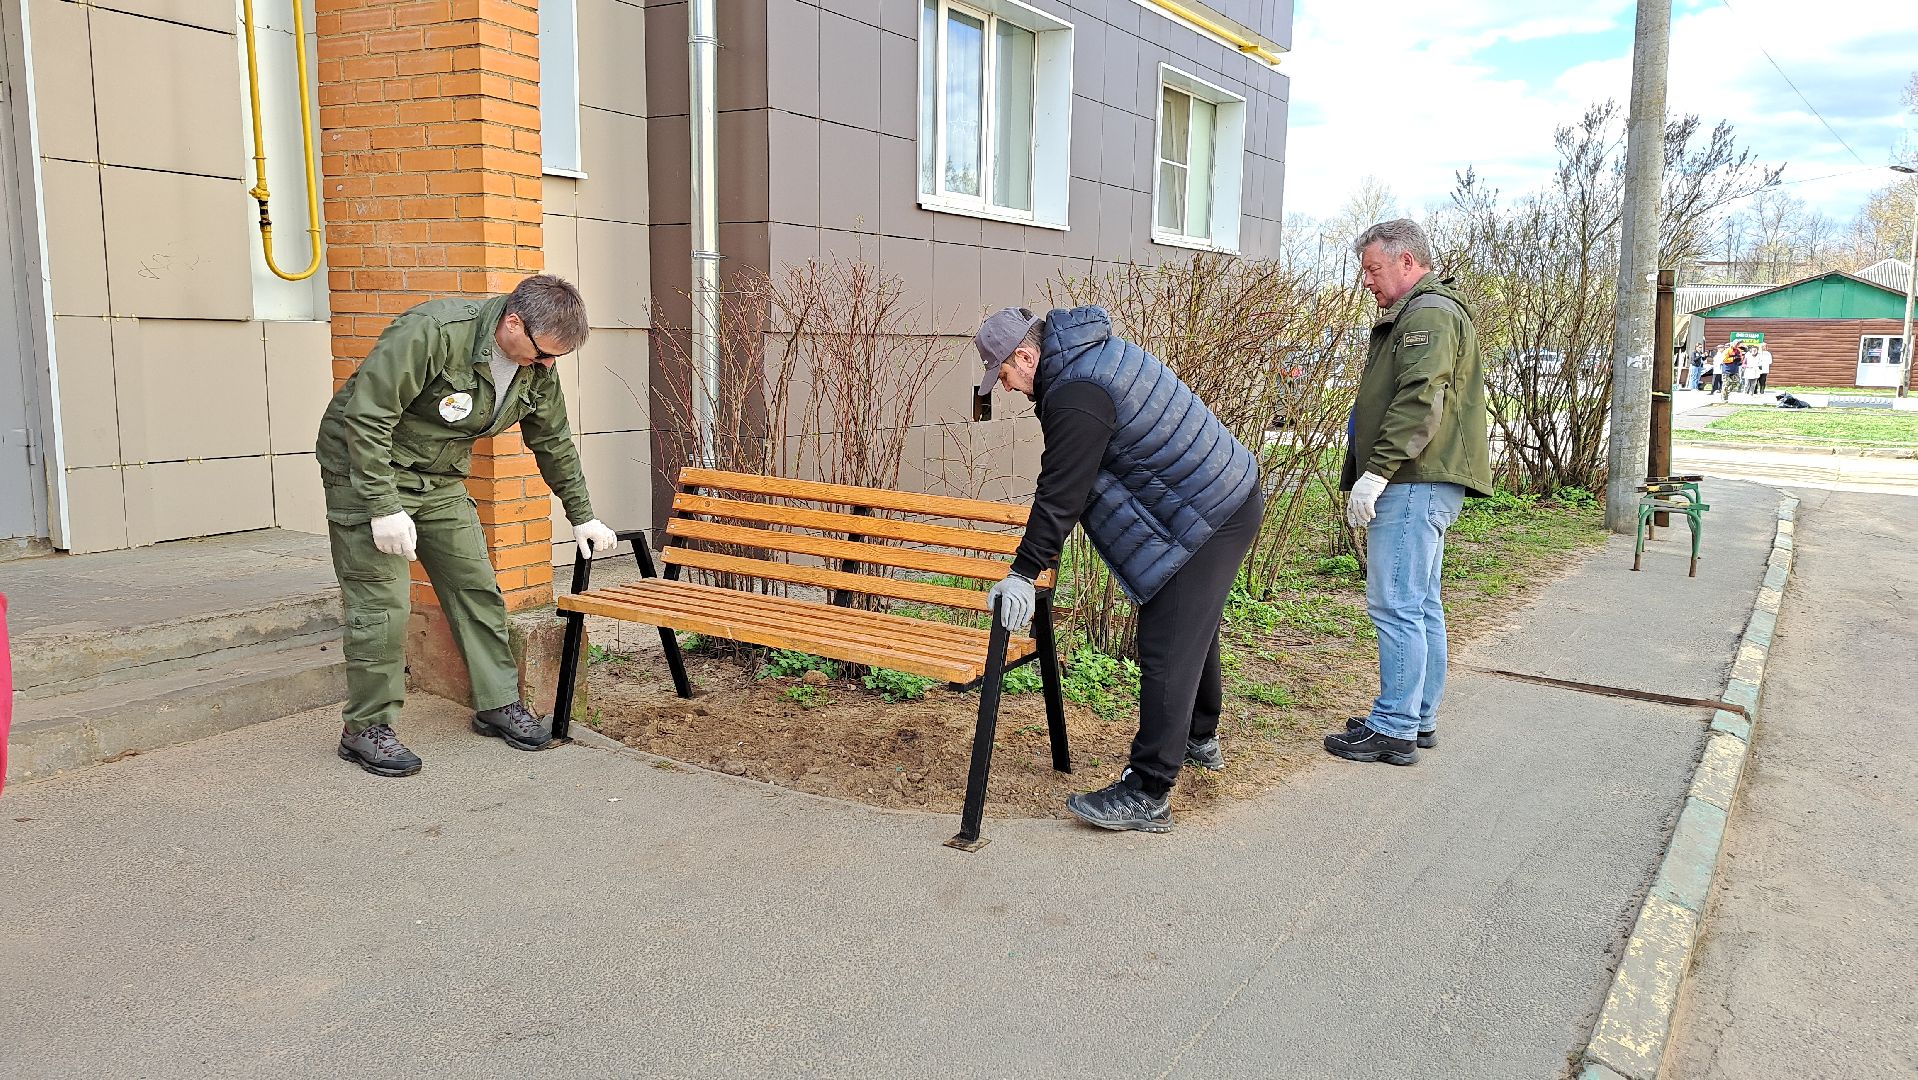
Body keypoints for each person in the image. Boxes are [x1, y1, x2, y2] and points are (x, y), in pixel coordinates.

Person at [974, 305, 1263, 833]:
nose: (1009, 388)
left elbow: (1061, 493)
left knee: (1166, 641)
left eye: (1007, 376)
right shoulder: (1088, 360)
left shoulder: (1076, 391)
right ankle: (1199, 737)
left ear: (1025, 354)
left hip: (1212, 510)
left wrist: (1023, 572)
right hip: (1223, 496)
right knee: (1189, 624)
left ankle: (1149, 790)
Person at [315, 275, 619, 777]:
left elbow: (554, 441)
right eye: (543, 354)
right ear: (513, 322)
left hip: (437, 479)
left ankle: (498, 703)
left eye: (555, 360)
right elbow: (367, 418)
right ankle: (365, 728)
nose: (546, 366)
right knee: (383, 605)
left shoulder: (536, 365)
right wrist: (381, 505)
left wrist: (582, 513)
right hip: (363, 470)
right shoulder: (433, 332)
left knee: (475, 585)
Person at [1325, 219, 1493, 767]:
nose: (1367, 282)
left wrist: (1376, 473)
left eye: (1373, 269)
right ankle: (1414, 715)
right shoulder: (1427, 313)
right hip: (1426, 480)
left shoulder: (1427, 315)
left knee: (1395, 604)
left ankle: (1394, 725)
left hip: (1412, 480)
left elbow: (1420, 400)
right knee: (1420, 604)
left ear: (1407, 261)